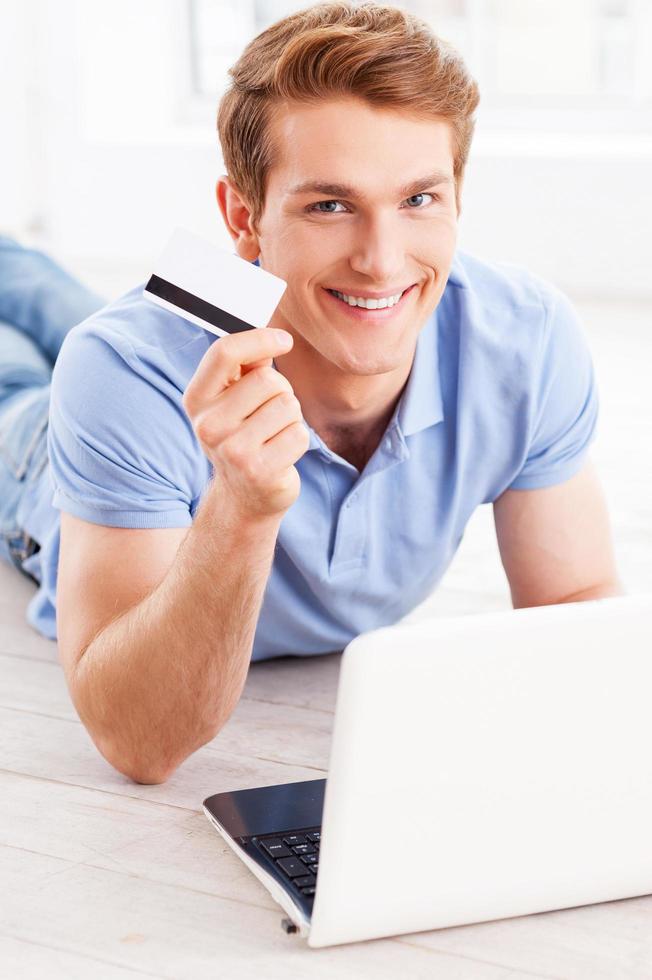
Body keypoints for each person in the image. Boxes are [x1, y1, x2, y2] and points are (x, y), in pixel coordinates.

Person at [0, 2, 621, 784]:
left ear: (457, 195)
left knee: (76, 312)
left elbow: (577, 602)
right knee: (25, 369)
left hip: (214, 314)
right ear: (244, 217)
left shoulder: (524, 336)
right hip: (32, 454)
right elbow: (140, 741)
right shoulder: (120, 370)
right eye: (330, 205)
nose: (382, 261)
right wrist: (243, 503)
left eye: (418, 199)